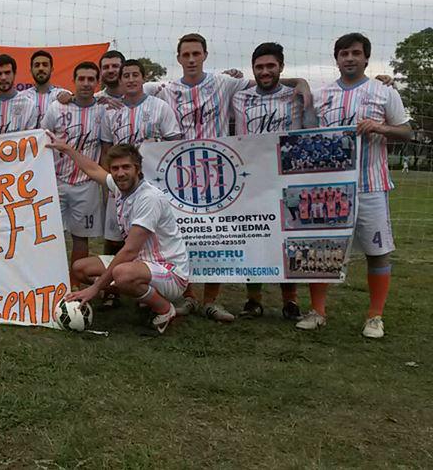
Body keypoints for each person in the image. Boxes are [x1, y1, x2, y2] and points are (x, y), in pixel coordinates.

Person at [147, 33, 313, 322]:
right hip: (180, 176)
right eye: (186, 55)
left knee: (218, 238)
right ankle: (188, 296)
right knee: (183, 236)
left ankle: (212, 301)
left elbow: (265, 80)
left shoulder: (225, 82)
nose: (191, 59)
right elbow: (127, 88)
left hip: (221, 175)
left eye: (196, 54)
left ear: (205, 55)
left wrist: (301, 82)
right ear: (178, 58)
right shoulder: (165, 89)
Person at [299, 33, 412, 338]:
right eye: (344, 53)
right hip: (329, 188)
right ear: (336, 59)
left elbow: (406, 131)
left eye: (356, 53)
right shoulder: (322, 96)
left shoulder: (384, 92)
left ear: (366, 58)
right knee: (322, 251)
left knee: (378, 251)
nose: (349, 58)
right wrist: (301, 84)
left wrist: (381, 127)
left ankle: (375, 316)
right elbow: (307, 133)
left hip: (370, 185)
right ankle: (317, 311)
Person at [49, 140, 189, 334]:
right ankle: (143, 296)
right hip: (141, 263)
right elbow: (92, 169)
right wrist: (67, 149)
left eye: (126, 167)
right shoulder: (120, 186)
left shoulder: (149, 198)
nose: (120, 173)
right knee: (81, 268)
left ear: (137, 169)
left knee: (122, 274)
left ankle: (165, 309)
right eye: (115, 168)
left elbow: (130, 250)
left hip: (170, 271)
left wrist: (95, 288)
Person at [231, 42, 314, 321]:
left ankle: (290, 300)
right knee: (252, 239)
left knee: (287, 239)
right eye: (259, 67)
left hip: (287, 180)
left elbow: (311, 129)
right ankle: (253, 300)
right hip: (250, 182)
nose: (265, 71)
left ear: (281, 67)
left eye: (271, 66)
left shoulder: (296, 95)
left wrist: (301, 83)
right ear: (252, 69)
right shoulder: (239, 98)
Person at [99, 59, 182, 306]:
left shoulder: (160, 106)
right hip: (121, 185)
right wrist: (109, 181)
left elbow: (174, 144)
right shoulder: (111, 111)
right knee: (114, 238)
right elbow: (106, 150)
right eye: (126, 75)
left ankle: (161, 288)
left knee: (155, 237)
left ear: (143, 78)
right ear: (120, 80)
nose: (131, 79)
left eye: (135, 74)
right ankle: (112, 292)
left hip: (152, 185)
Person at [40, 62, 106, 285]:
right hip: (56, 181)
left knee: (80, 237)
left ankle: (74, 284)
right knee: (50, 235)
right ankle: (50, 282)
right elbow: (42, 138)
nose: (86, 84)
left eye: (91, 79)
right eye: (81, 79)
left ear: (97, 82)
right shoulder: (56, 108)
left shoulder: (103, 110)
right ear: (73, 81)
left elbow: (105, 145)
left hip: (86, 183)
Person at [20, 50, 69, 127]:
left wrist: (71, 98)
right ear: (31, 70)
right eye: (37, 65)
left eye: (45, 65)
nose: (41, 68)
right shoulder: (22, 97)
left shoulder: (63, 94)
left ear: (52, 69)